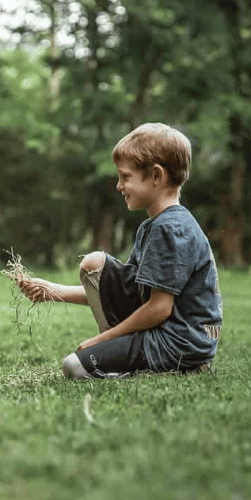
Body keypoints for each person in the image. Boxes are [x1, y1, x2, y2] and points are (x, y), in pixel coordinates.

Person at [16, 123, 222, 378]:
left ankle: (169, 370)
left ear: (156, 176)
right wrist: (51, 291)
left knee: (74, 366)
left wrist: (102, 340)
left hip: (177, 343)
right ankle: (130, 358)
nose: (118, 186)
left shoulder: (170, 229)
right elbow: (131, 294)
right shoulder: (153, 226)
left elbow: (159, 308)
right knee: (95, 264)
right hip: (173, 337)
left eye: (125, 177)